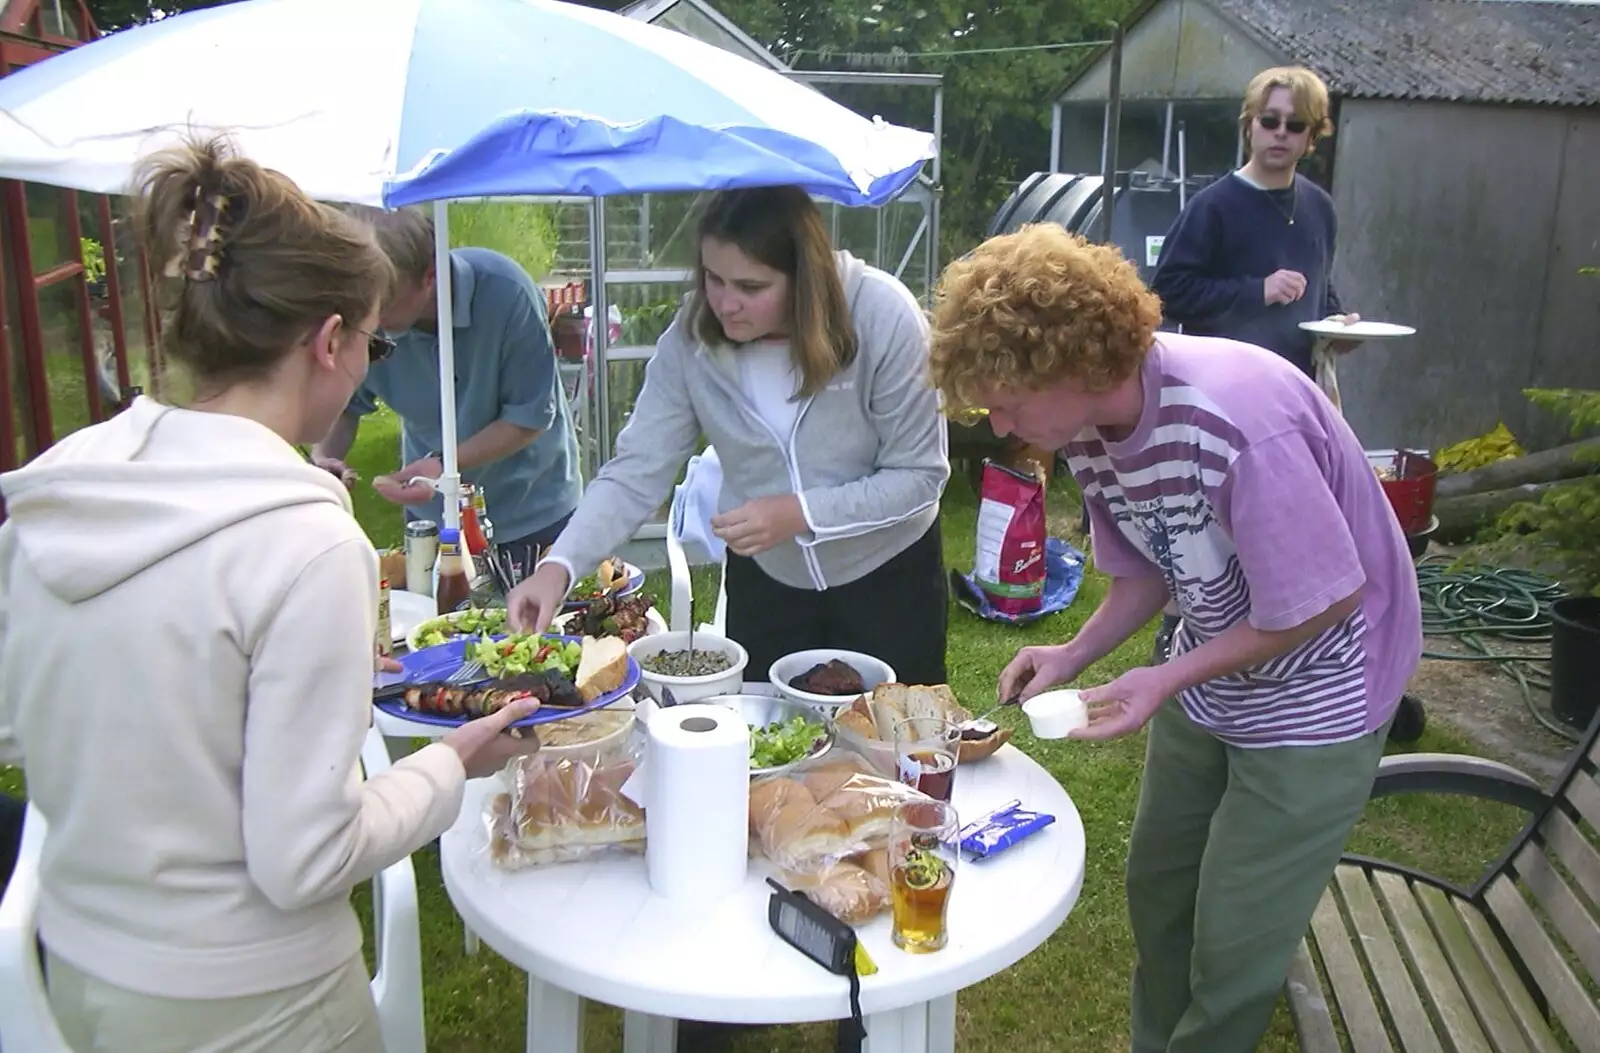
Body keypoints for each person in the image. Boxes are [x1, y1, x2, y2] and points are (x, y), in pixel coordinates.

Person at [0, 137, 538, 1053]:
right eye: (372, 341)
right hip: (262, 1001)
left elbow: (25, 722)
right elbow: (306, 855)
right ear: (329, 341)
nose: (371, 364)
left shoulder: (59, 490)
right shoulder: (307, 542)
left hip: (80, 975)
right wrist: (451, 762)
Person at [926, 223, 1422, 1053]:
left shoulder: (1237, 419)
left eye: (1007, 397)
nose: (996, 418)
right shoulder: (1084, 431)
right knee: (1159, 890)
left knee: (1233, 940)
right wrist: (1073, 653)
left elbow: (1321, 601)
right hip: (1214, 666)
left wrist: (1163, 678)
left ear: (1078, 363)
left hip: (1323, 692)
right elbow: (1153, 569)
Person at [507, 185, 951, 685]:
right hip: (767, 584)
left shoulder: (882, 314)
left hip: (889, 578)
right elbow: (636, 472)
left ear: (805, 278)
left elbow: (919, 476)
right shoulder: (690, 341)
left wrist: (799, 513)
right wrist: (559, 567)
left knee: (896, 751)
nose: (725, 304)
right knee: (768, 749)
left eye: (751, 287)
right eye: (713, 279)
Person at [313, 205, 582, 573]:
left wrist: (441, 466)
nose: (371, 316)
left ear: (430, 276)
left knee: (534, 626)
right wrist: (325, 459)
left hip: (531, 512)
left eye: (385, 301)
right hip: (433, 516)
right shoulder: (364, 316)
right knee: (436, 624)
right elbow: (347, 404)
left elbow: (528, 417)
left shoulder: (507, 294)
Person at [1151, 65, 1360, 378]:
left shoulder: (1320, 207)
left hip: (1296, 388)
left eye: (1296, 124)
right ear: (1249, 126)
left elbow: (1318, 283)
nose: (1280, 132)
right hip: (1221, 388)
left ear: (1311, 137)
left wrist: (1336, 327)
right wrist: (1257, 291)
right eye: (1270, 120)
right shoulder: (1212, 206)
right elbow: (1167, 294)